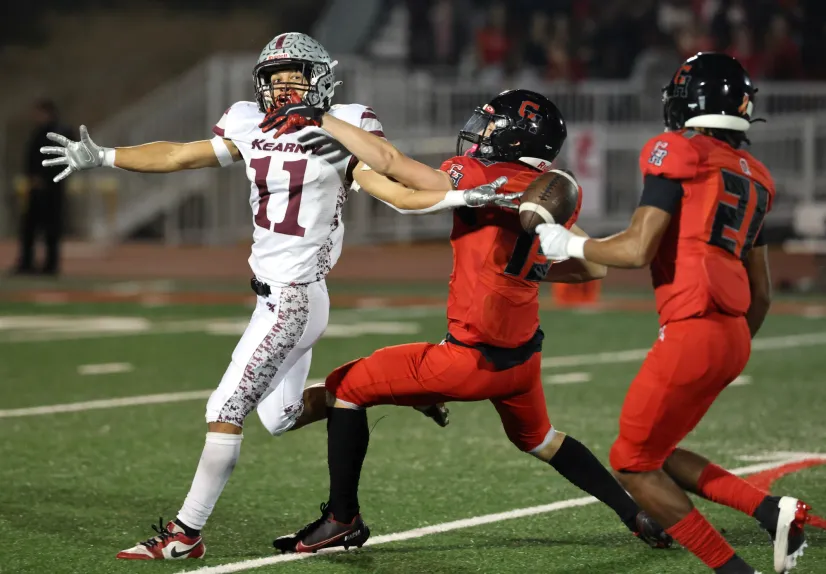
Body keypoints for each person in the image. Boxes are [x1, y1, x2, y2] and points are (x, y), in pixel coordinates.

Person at [38, 32, 507, 561]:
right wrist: (105, 155)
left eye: (295, 79)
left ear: (321, 81)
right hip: (275, 298)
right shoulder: (249, 122)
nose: (284, 91)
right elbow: (178, 155)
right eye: (275, 81)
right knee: (279, 417)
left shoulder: (342, 129)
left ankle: (185, 534)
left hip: (295, 298)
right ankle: (392, 387)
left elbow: (393, 189)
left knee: (225, 406)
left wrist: (460, 194)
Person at [268, 89, 673, 554]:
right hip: (521, 365)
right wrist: (530, 268)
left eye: (490, 125)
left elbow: (393, 163)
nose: (479, 134)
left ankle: (342, 519)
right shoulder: (549, 192)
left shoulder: (476, 174)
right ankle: (635, 514)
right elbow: (592, 267)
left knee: (346, 386)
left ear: (513, 135)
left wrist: (322, 118)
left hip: (467, 361)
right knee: (541, 439)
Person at [535, 52, 810, 574]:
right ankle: (772, 511)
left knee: (632, 465)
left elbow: (638, 248)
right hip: (734, 333)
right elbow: (764, 292)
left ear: (690, 104)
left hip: (696, 326)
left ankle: (733, 570)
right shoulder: (757, 175)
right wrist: (727, 346)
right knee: (657, 450)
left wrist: (569, 244)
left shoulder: (679, 150)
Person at [13, 99, 70, 276]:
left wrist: (46, 179)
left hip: (52, 190)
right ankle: (26, 263)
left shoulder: (59, 133)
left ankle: (50, 266)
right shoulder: (38, 133)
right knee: (29, 227)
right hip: (35, 188)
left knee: (51, 228)